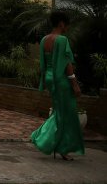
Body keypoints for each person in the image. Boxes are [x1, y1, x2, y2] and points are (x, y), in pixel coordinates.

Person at [31, 11, 85, 160]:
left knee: (59, 111)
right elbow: (67, 64)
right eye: (67, 24)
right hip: (61, 79)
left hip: (49, 77)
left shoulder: (44, 39)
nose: (67, 27)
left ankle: (60, 146)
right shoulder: (62, 40)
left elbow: (43, 64)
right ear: (61, 23)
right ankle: (43, 138)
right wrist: (74, 84)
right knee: (66, 113)